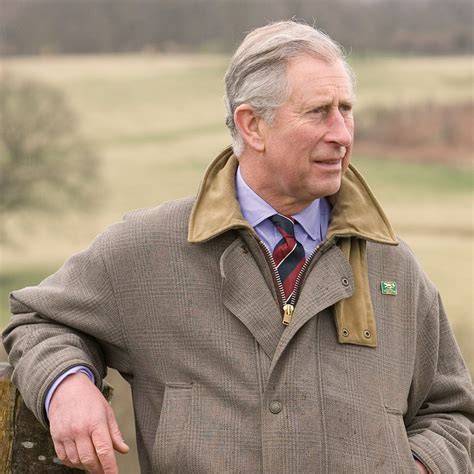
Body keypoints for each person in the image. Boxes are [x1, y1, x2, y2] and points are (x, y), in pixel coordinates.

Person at [3, 21, 473, 474]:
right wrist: (67, 385)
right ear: (252, 126)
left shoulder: (393, 265)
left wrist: (419, 466)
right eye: (318, 112)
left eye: (346, 110)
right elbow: (37, 320)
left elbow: (452, 412)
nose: (342, 134)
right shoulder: (149, 250)